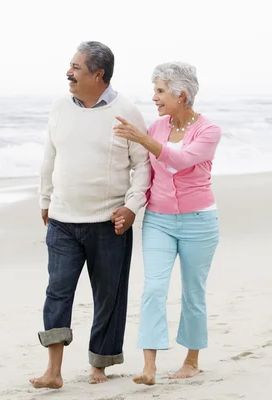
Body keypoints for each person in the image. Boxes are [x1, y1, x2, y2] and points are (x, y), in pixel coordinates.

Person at [30, 41, 151, 389]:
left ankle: (100, 364)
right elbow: (49, 157)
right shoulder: (59, 108)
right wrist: (45, 198)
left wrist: (131, 207)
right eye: (70, 66)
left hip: (108, 223)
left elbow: (142, 166)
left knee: (109, 296)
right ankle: (53, 371)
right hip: (64, 221)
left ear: (98, 75)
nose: (68, 72)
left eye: (76, 67)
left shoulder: (127, 112)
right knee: (57, 292)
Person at [112, 61, 222, 385]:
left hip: (199, 222)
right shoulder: (156, 128)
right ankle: (149, 366)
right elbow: (145, 173)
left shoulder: (209, 131)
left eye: (160, 91)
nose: (154, 98)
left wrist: (143, 140)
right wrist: (131, 206)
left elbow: (181, 159)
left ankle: (191, 360)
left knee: (193, 292)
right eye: (155, 90)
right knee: (154, 289)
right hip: (158, 220)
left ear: (181, 95)